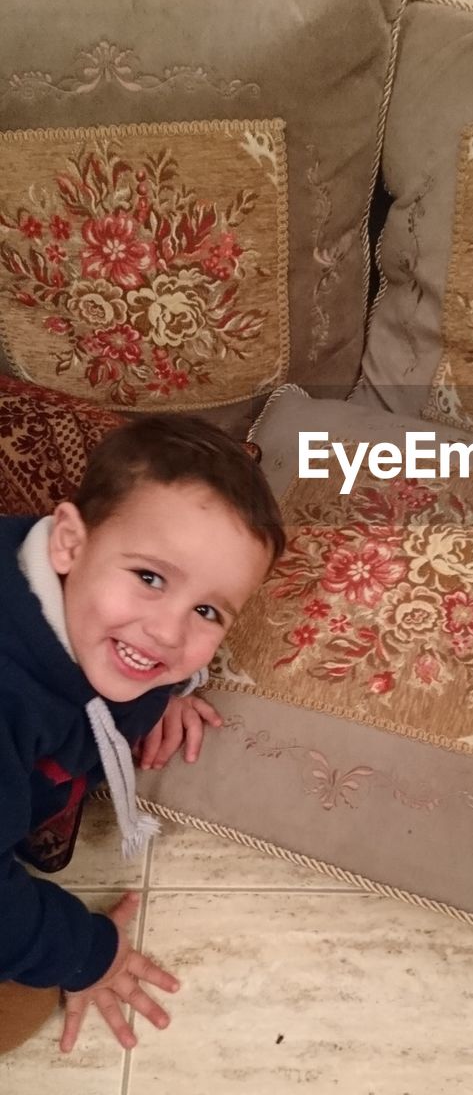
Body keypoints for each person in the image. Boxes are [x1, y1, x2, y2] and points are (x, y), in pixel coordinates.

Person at [0, 414, 285, 1057]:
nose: (167, 633)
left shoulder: (90, 605)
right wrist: (85, 955)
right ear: (68, 542)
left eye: (207, 611)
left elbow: (154, 645)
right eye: (150, 578)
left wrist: (167, 690)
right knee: (19, 1013)